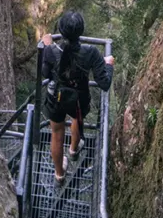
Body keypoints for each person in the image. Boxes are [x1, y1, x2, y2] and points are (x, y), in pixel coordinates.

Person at [39, 11, 114, 183]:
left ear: (61, 29)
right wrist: (108, 65)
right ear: (81, 31)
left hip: (56, 98)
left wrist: (47, 48)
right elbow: (104, 83)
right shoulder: (91, 53)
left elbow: (46, 73)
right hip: (79, 98)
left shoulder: (52, 51)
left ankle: (59, 174)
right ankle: (73, 150)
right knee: (76, 118)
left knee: (56, 133)